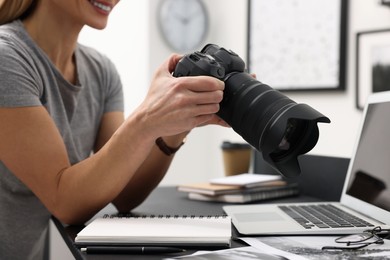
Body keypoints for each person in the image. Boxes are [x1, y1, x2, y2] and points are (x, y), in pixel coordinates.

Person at [0, 0, 226, 259]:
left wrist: (179, 123)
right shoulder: (6, 58)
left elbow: (125, 194)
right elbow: (65, 201)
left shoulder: (100, 71)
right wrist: (148, 117)